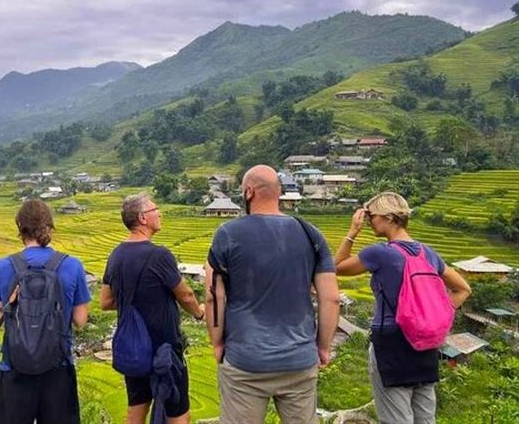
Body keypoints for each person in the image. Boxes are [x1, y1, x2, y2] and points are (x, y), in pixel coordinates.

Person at [205, 165, 339, 424]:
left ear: (249, 192)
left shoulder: (228, 233)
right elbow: (331, 298)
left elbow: (214, 296)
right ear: (279, 193)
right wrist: (322, 347)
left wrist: (217, 343)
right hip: (299, 360)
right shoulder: (310, 234)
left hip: (245, 360)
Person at [334, 191, 471, 424]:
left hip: (391, 343)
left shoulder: (379, 253)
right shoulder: (428, 253)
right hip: (426, 342)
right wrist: (437, 315)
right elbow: (463, 289)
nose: (368, 221)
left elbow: (336, 267)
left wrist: (352, 233)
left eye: (371, 215)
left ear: (388, 217)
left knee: (396, 418)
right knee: (425, 417)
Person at [101, 193, 204, 424]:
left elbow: (106, 301)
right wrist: (200, 313)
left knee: (136, 410)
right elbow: (186, 295)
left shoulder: (116, 255)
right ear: (142, 218)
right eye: (155, 209)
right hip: (164, 349)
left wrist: (137, 300)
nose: (159, 213)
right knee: (178, 412)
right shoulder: (160, 255)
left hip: (133, 347)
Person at [0, 198, 90, 424]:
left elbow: (2, 314)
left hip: (14, 366)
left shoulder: (3, 266)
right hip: (58, 367)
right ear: (49, 227)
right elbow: (81, 320)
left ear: (20, 228)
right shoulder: (72, 265)